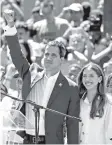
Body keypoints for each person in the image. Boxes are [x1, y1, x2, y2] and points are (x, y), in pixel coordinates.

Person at [3, 9, 80, 144]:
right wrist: (10, 25)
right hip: (26, 140)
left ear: (62, 60)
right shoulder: (30, 75)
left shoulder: (71, 87)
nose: (48, 58)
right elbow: (16, 53)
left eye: (53, 55)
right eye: (46, 54)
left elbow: (72, 124)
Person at [78, 63, 112, 144]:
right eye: (84, 76)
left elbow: (110, 134)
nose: (87, 79)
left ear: (100, 79)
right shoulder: (77, 102)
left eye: (91, 76)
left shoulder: (108, 103)